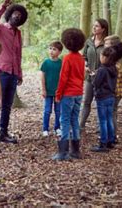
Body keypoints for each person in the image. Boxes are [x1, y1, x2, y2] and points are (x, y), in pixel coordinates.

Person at [0, 0, 28, 144]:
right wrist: (2, 8)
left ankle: (3, 134)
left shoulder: (18, 34)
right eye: (15, 13)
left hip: (12, 74)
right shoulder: (0, 29)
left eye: (19, 15)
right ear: (10, 14)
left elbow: (18, 55)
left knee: (7, 105)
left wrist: (19, 73)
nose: (16, 16)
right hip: (0, 72)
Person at [52, 28, 86, 161]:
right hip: (78, 93)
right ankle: (75, 150)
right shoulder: (81, 58)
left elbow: (63, 78)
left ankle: (63, 152)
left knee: (64, 120)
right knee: (74, 120)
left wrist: (58, 93)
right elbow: (81, 76)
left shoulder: (67, 58)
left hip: (68, 94)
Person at [79, 19, 109, 130]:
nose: (94, 27)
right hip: (89, 77)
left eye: (97, 26)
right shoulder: (89, 42)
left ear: (103, 29)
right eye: (94, 25)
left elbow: (110, 60)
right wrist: (85, 65)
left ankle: (102, 127)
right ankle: (80, 125)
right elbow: (84, 56)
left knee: (101, 102)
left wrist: (101, 70)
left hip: (102, 78)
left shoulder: (107, 43)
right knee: (86, 101)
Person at [90, 46, 118, 152]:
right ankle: (111, 140)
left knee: (102, 120)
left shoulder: (102, 69)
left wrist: (93, 76)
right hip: (111, 96)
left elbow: (96, 83)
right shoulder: (114, 68)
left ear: (106, 58)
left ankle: (103, 143)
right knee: (109, 118)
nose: (100, 57)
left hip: (102, 97)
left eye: (101, 55)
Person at [103, 35, 122, 143]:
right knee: (113, 113)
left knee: (111, 114)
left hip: (114, 92)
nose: (104, 46)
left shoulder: (114, 64)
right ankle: (112, 136)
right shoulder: (115, 62)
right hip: (116, 92)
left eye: (107, 44)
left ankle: (111, 137)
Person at [40, 41, 63, 137]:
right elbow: (42, 75)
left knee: (58, 110)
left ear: (59, 52)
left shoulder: (61, 63)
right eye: (50, 48)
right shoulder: (46, 62)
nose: (51, 51)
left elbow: (63, 77)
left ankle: (57, 128)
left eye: (54, 49)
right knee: (47, 110)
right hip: (48, 91)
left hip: (58, 91)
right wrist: (43, 89)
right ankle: (45, 129)